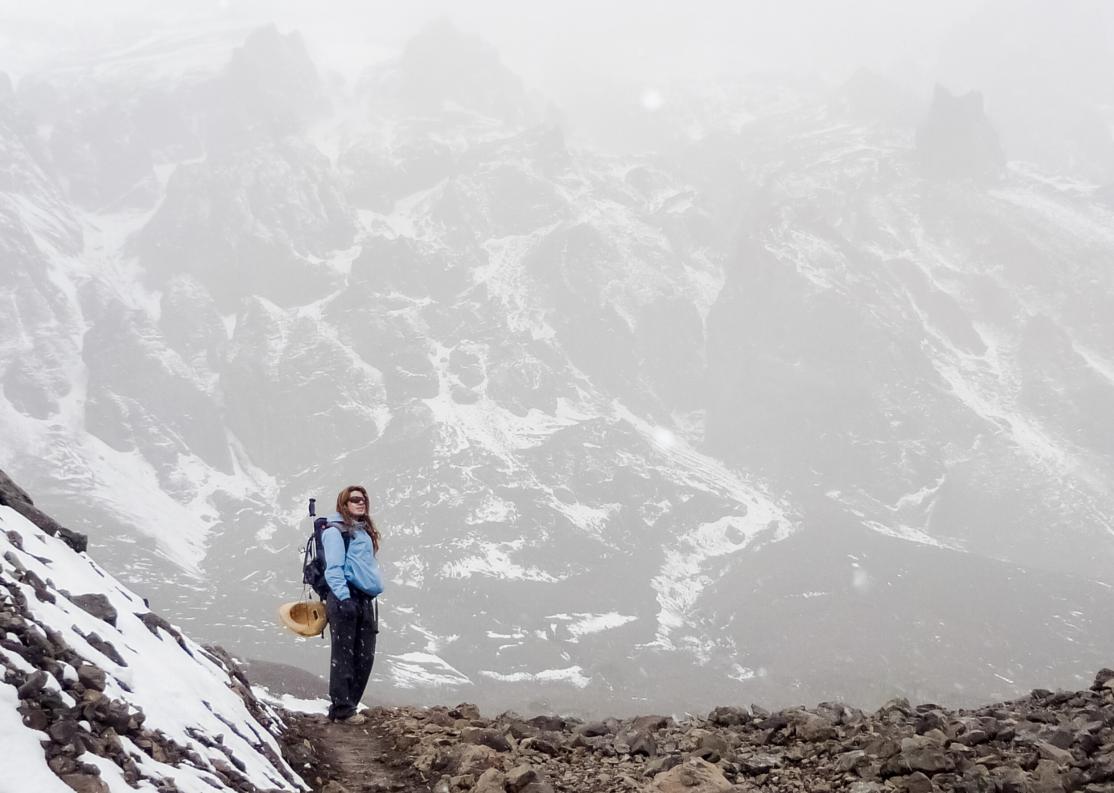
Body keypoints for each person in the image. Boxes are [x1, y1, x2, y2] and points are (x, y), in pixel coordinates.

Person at [322, 484, 383, 724]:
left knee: (364, 656)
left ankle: (349, 706)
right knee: (344, 654)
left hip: (364, 598)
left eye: (363, 499)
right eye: (355, 499)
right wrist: (344, 598)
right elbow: (333, 568)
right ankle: (342, 709)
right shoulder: (335, 532)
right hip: (345, 597)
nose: (361, 502)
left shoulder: (362, 531)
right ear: (344, 504)